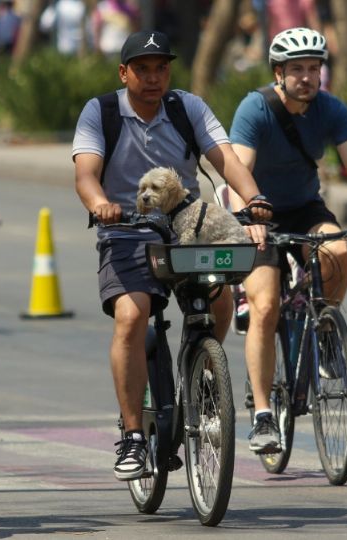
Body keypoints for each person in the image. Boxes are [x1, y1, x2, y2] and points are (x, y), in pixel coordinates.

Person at [73, 30, 272, 480]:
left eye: (160, 68)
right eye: (141, 69)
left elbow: (226, 159)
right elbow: (86, 174)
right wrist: (100, 204)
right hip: (124, 232)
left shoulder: (188, 107)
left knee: (220, 296)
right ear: (124, 73)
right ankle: (132, 437)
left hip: (187, 231)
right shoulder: (100, 112)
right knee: (132, 315)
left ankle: (203, 365)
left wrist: (254, 197)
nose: (152, 77)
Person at [226, 27, 347, 454]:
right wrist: (248, 216)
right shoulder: (255, 109)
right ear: (278, 73)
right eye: (296, 69)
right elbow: (237, 170)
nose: (306, 77)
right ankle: (264, 416)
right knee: (264, 308)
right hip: (258, 210)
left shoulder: (332, 109)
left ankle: (322, 328)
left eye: (314, 68)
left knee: (337, 250)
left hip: (303, 207)